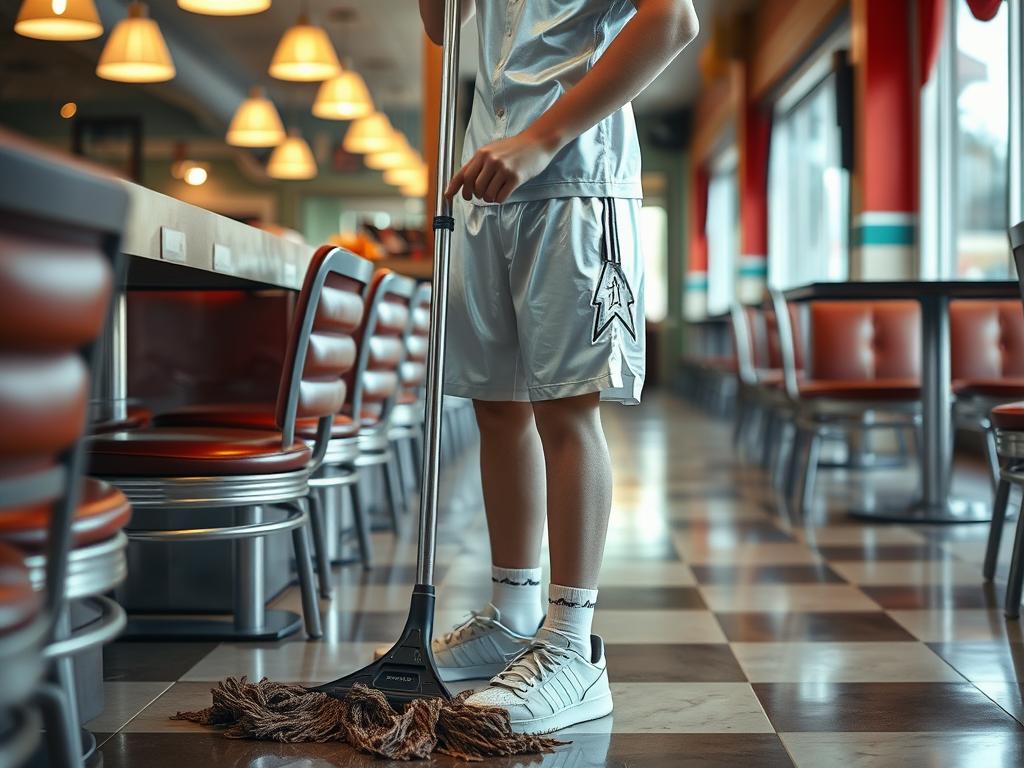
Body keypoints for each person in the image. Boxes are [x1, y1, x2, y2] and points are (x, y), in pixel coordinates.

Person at [417, 0, 699, 734]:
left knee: (565, 410)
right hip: (486, 180)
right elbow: (443, 29)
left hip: (574, 175)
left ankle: (573, 647)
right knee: (496, 405)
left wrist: (542, 138)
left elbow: (674, 19)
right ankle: (513, 616)